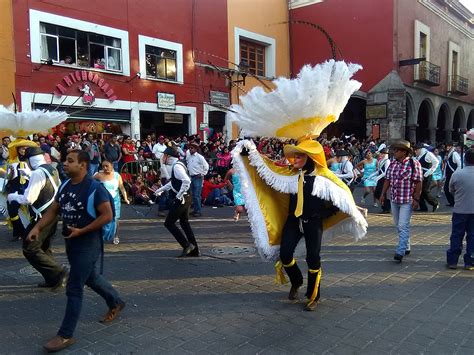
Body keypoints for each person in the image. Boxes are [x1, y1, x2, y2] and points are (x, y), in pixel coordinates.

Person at [29, 150, 125, 353]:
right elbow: (54, 210)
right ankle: (115, 301)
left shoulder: (94, 188)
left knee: (74, 286)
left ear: (83, 165)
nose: (65, 163)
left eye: (70, 161)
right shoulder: (64, 186)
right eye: (65, 160)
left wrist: (83, 230)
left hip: (88, 244)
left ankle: (65, 334)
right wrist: (37, 228)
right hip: (71, 242)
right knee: (90, 277)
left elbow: (107, 216)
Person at [7, 147, 68, 289]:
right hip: (52, 213)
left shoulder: (37, 173)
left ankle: (58, 272)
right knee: (44, 247)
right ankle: (52, 279)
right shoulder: (51, 169)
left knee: (30, 248)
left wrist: (12, 196)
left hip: (42, 216)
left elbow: (28, 198)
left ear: (29, 160)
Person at [380, 140, 423, 263]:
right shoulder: (393, 164)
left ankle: (400, 250)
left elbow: (418, 182)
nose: (394, 152)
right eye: (394, 150)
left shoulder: (414, 164)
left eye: (397, 150)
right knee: (398, 225)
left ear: (404, 152)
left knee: (403, 225)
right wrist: (383, 194)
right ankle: (407, 245)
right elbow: (387, 179)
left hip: (407, 199)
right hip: (394, 198)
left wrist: (416, 198)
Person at [154, 146, 199, 257]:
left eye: (164, 156)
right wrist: (160, 190)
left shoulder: (176, 167)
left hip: (183, 199)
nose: (163, 158)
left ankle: (186, 245)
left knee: (169, 223)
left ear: (169, 156)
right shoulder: (178, 164)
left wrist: (179, 195)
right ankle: (194, 250)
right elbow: (174, 183)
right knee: (184, 223)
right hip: (187, 197)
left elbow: (186, 181)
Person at [446, 149, 474, 270]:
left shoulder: (457, 174)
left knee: (457, 235)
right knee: (473, 236)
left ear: (465, 159)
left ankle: (453, 261)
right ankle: (470, 261)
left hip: (460, 210)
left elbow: (451, 190)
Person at [94, 160, 130, 244]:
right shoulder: (99, 175)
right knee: (102, 217)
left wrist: (126, 198)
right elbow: (89, 182)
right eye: (103, 166)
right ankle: (101, 235)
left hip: (115, 200)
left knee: (116, 218)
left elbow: (121, 188)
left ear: (112, 165)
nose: (105, 168)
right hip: (104, 201)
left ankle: (116, 236)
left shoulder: (117, 175)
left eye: (107, 166)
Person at [414, 143, 439, 212]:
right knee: (418, 191)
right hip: (420, 175)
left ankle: (435, 203)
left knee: (425, 191)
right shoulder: (417, 156)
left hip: (427, 175)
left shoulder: (428, 154)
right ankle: (423, 208)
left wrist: (429, 172)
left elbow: (436, 162)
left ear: (421, 149)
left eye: (417, 150)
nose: (415, 151)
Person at [186, 142, 209, 217]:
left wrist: (202, 173)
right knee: (192, 195)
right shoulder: (189, 157)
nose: (190, 149)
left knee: (197, 195)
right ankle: (195, 210)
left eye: (192, 148)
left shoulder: (200, 157)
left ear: (196, 149)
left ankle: (198, 211)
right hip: (191, 176)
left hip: (197, 177)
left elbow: (206, 166)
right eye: (189, 148)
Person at [370, 148, 391, 213]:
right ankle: (386, 205)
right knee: (377, 193)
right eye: (381, 153)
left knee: (382, 193)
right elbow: (378, 171)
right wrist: (371, 176)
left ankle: (386, 208)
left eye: (382, 153)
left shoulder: (387, 161)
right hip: (380, 179)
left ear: (386, 154)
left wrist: (377, 178)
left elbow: (385, 172)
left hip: (385, 179)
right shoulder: (380, 161)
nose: (380, 155)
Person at [444, 142, 461, 207]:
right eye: (447, 146)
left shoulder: (454, 153)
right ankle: (452, 202)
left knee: (448, 189)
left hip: (453, 174)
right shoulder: (450, 154)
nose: (447, 148)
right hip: (449, 175)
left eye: (449, 146)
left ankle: (454, 202)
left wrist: (457, 173)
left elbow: (459, 164)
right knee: (448, 189)